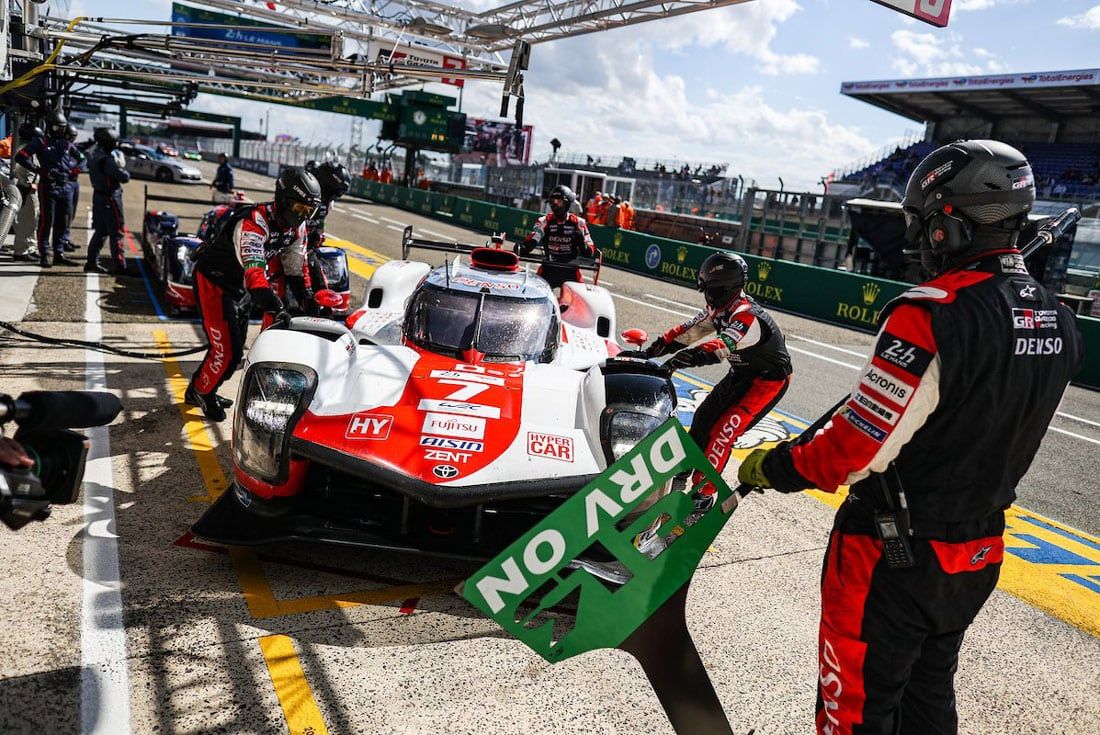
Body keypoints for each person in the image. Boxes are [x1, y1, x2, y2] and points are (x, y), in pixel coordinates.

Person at [737, 140, 1084, 735]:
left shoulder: (930, 312)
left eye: (923, 225)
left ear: (951, 225)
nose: (918, 242)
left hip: (890, 557)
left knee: (854, 716)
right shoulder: (1060, 319)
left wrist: (772, 466)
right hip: (977, 553)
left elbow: (851, 449)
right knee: (927, 704)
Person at [640, 252, 791, 532]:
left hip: (767, 382)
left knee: (724, 429)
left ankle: (705, 495)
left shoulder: (748, 316)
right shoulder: (719, 311)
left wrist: (681, 360)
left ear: (722, 287)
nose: (705, 294)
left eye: (708, 288)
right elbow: (687, 331)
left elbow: (720, 347)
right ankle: (684, 468)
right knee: (703, 417)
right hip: (741, 375)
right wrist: (652, 351)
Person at [185, 167, 321, 421]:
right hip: (213, 282)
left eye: (307, 211)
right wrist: (269, 299)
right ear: (283, 199)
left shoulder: (296, 229)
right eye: (298, 208)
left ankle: (201, 387)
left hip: (237, 289)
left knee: (229, 350)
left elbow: (294, 266)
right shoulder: (254, 221)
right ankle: (202, 391)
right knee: (228, 352)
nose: (301, 216)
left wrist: (306, 296)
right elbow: (254, 268)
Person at [268, 160, 350, 314]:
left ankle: (322, 310)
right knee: (275, 297)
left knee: (316, 274)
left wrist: (315, 239)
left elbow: (318, 226)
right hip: (281, 246)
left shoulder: (325, 204)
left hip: (304, 246)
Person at [15, 110, 85, 267]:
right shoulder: (41, 142)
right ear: (50, 127)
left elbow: (82, 158)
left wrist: (74, 169)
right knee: (47, 222)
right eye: (57, 128)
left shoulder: (67, 144)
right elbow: (21, 156)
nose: (60, 131)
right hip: (48, 186)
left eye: (62, 128)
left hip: (65, 186)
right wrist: (38, 170)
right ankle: (45, 253)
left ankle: (59, 253)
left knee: (63, 221)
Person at [517, 185, 597, 290]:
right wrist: (523, 247)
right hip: (549, 268)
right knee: (532, 293)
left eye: (558, 202)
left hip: (571, 269)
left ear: (567, 203)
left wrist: (581, 242)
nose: (555, 205)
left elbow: (590, 251)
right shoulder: (544, 221)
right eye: (552, 202)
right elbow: (532, 240)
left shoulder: (578, 222)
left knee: (581, 299)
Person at [85, 127, 131, 275]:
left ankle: (91, 262)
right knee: (116, 232)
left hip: (98, 197)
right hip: (110, 198)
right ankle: (120, 265)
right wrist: (122, 167)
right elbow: (123, 177)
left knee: (100, 232)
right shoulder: (107, 160)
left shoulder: (94, 155)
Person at [10, 123, 41, 263]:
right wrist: (29, 184)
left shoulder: (27, 149)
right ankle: (21, 251)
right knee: (25, 221)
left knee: (33, 220)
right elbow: (22, 171)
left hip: (30, 189)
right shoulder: (23, 149)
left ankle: (30, 248)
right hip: (26, 188)